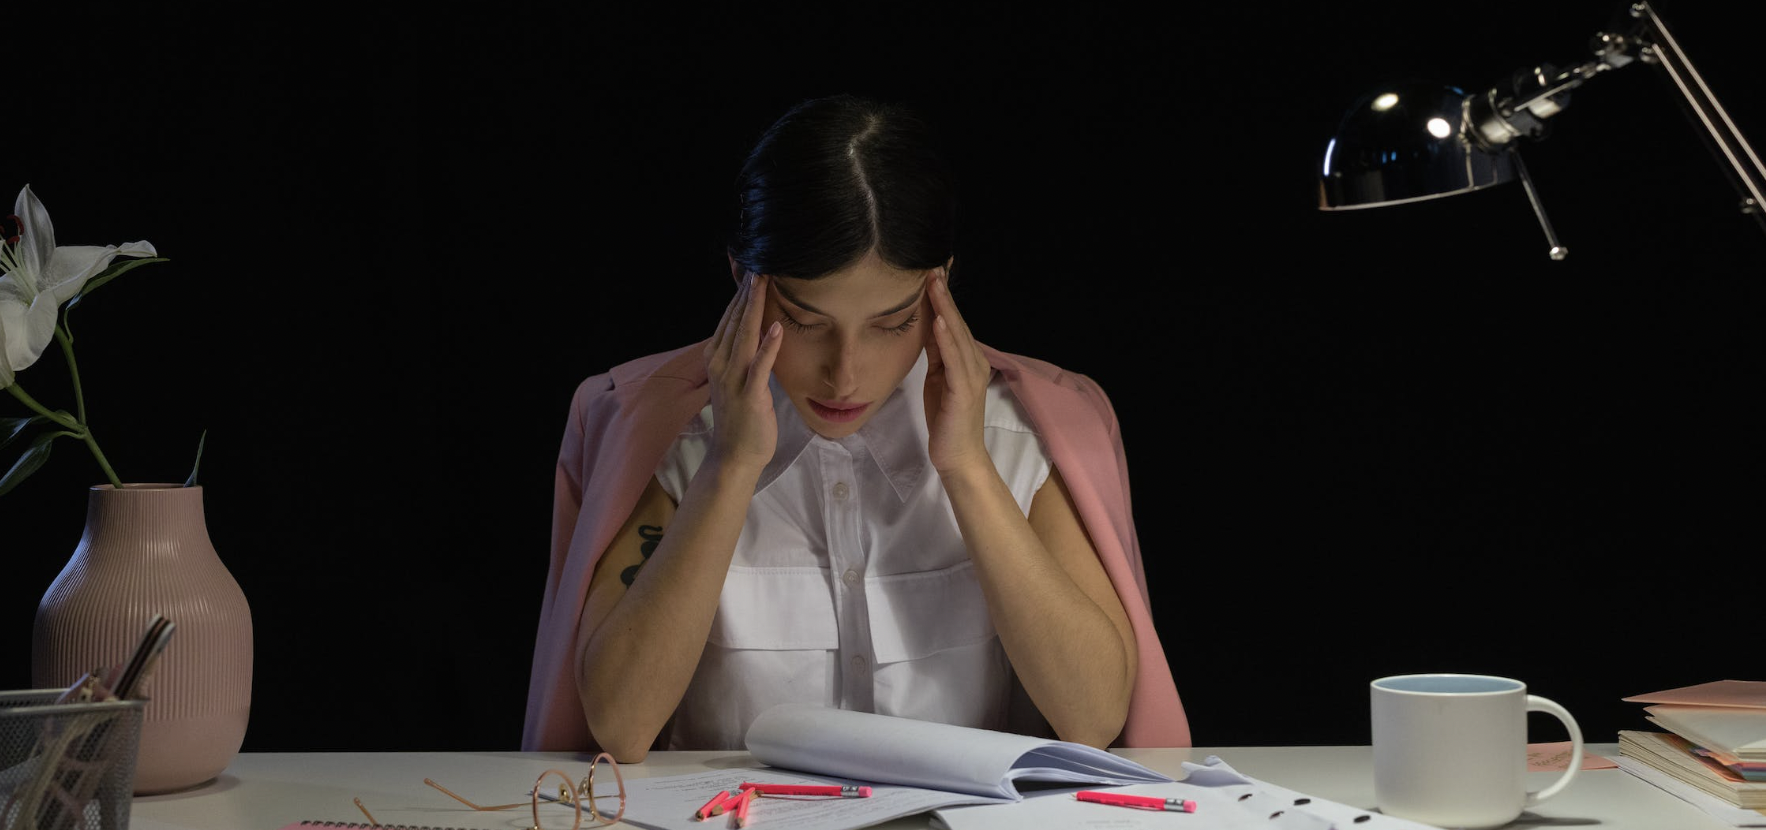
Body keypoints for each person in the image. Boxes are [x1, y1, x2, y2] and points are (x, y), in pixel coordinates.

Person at [522, 94, 1188, 761]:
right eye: (807, 323)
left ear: (941, 287)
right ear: (740, 277)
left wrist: (967, 468)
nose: (845, 373)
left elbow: (1094, 716)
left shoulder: (1035, 433)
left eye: (892, 323)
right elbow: (619, 724)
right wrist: (730, 464)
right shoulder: (646, 430)